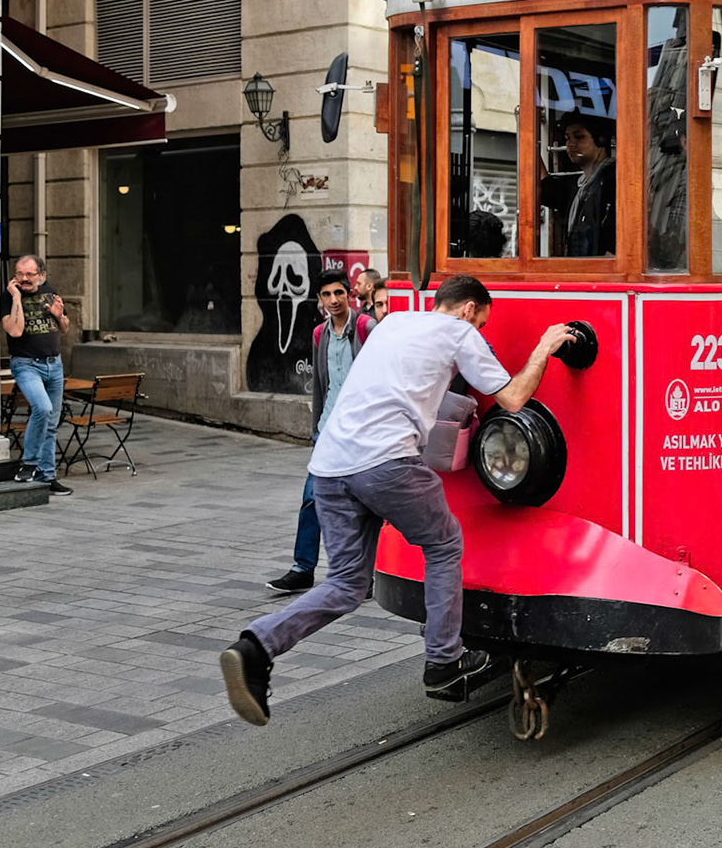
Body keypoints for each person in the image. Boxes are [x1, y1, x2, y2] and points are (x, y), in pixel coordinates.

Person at [220, 275, 580, 726]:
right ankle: (444, 664)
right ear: (469, 310)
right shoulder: (461, 333)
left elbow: (402, 384)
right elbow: (512, 398)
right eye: (483, 323)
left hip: (330, 466)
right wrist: (544, 347)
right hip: (386, 463)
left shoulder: (391, 324)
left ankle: (256, 646)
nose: (481, 332)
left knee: (347, 585)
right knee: (445, 543)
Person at [267, 269, 375, 595]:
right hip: (328, 430)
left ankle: (366, 573)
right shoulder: (319, 335)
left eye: (339, 293)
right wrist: (315, 428)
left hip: (362, 432)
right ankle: (302, 568)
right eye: (327, 295)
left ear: (349, 295)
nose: (333, 300)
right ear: (320, 299)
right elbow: (319, 386)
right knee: (312, 498)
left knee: (367, 502)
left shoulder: (366, 328)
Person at [1, 254, 73, 495]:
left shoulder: (50, 292)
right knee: (42, 409)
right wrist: (17, 298)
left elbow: (63, 328)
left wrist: (58, 315)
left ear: (41, 275)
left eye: (29, 274)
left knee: (51, 425)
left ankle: (47, 476)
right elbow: (16, 330)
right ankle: (29, 463)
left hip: (55, 363)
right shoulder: (9, 297)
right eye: (19, 273)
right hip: (26, 364)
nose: (23, 278)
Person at [560, 116, 617, 257]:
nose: (571, 144)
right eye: (567, 138)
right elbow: (543, 187)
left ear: (601, 140)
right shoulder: (580, 186)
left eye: (579, 137)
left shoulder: (613, 180)